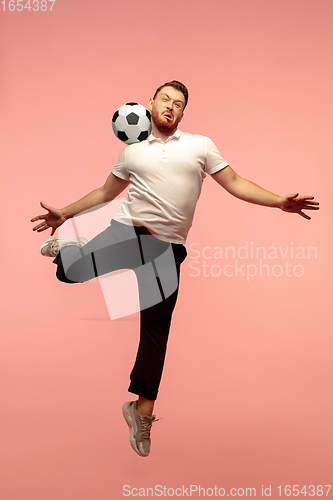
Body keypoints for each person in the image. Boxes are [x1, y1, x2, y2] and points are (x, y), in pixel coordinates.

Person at [31, 80, 319, 458]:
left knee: (156, 331)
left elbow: (234, 182)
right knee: (66, 273)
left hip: (165, 250)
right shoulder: (132, 151)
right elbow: (105, 193)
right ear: (149, 103)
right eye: (165, 98)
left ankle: (141, 411)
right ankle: (71, 247)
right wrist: (65, 214)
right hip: (127, 234)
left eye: (178, 103)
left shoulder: (200, 146)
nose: (171, 106)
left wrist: (279, 201)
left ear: (183, 113)